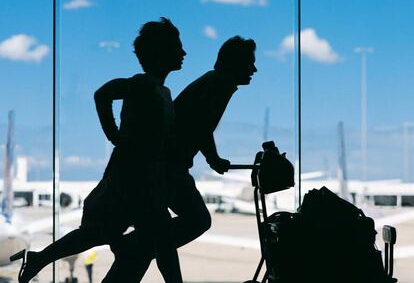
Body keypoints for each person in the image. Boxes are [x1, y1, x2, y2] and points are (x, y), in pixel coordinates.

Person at [10, 17, 186, 283]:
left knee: (101, 234)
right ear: (160, 53)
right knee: (154, 240)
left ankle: (39, 258)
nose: (183, 53)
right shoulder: (142, 84)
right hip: (135, 178)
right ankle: (39, 258)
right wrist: (114, 134)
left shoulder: (162, 90)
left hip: (142, 177)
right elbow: (102, 94)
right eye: (177, 47)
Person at [102, 35, 257, 282]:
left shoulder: (213, 80)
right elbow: (201, 124)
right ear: (235, 63)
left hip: (167, 165)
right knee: (194, 222)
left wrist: (212, 158)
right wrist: (213, 158)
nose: (254, 69)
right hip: (169, 167)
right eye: (250, 63)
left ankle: (136, 243)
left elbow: (200, 125)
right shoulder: (221, 83)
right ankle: (135, 242)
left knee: (152, 245)